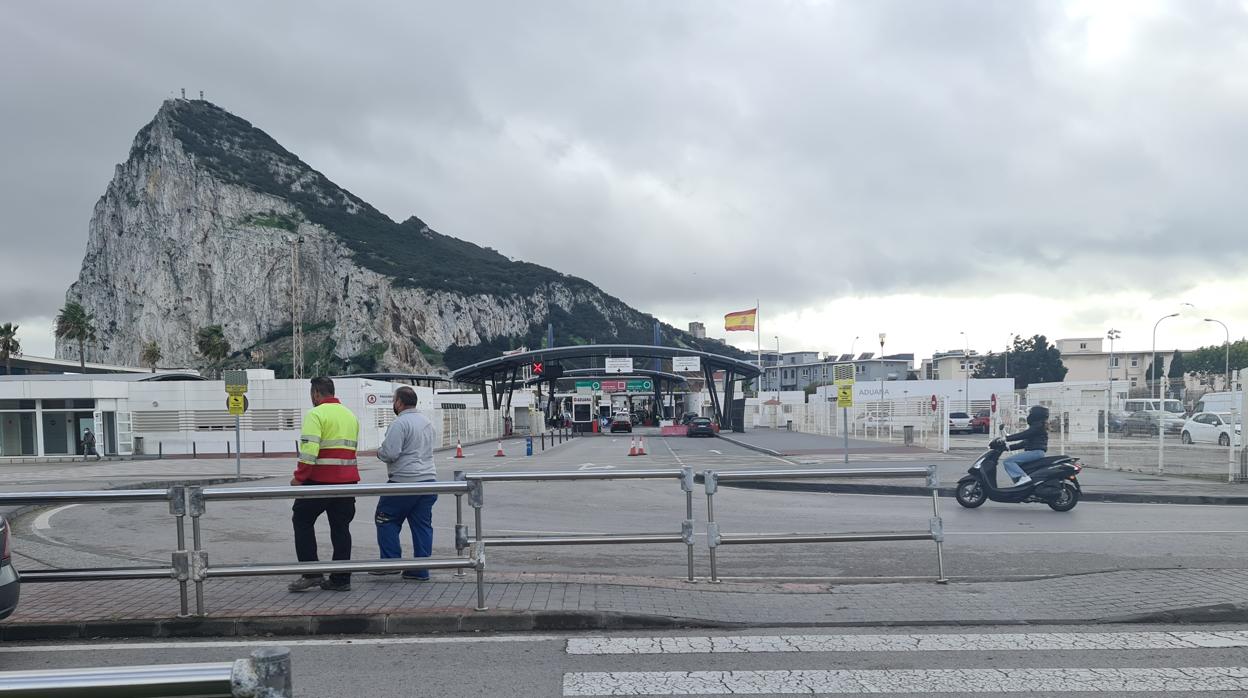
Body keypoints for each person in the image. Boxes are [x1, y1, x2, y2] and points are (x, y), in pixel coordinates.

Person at [288, 377, 361, 593]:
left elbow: (309, 451)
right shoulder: (350, 415)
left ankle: (311, 573)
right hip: (347, 482)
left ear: (316, 394)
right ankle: (341, 579)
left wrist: (299, 477)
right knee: (341, 528)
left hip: (319, 481)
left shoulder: (316, 414)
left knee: (301, 520)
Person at [370, 386, 438, 581]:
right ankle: (420, 569)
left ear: (399, 402)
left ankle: (390, 562)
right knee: (422, 526)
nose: (394, 404)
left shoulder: (400, 423)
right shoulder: (427, 422)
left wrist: (379, 452)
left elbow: (390, 452)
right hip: (429, 481)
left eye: (394, 400)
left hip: (404, 481)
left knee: (385, 518)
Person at [1001, 405, 1050, 486]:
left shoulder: (1037, 426)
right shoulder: (1038, 426)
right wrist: (1008, 447)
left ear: (1036, 415)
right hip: (1036, 452)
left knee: (1008, 461)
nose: (1029, 416)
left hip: (1035, 452)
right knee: (1016, 464)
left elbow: (1024, 435)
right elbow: (1025, 443)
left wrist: (1006, 438)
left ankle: (1023, 478)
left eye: (1030, 413)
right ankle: (1021, 483)